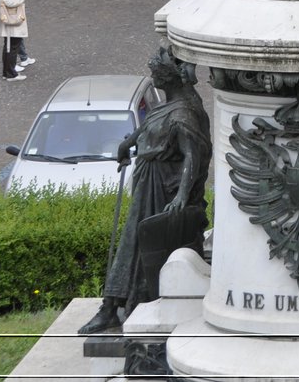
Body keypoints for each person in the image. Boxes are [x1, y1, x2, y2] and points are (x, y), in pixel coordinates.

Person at [79, 46, 211, 335]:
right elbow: (151, 124)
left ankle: (112, 306)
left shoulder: (185, 113)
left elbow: (192, 156)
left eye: (156, 73)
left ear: (170, 78)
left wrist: (180, 196)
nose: (152, 77)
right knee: (133, 243)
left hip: (161, 189)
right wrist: (129, 143)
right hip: (149, 181)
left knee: (133, 243)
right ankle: (116, 303)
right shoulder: (170, 105)